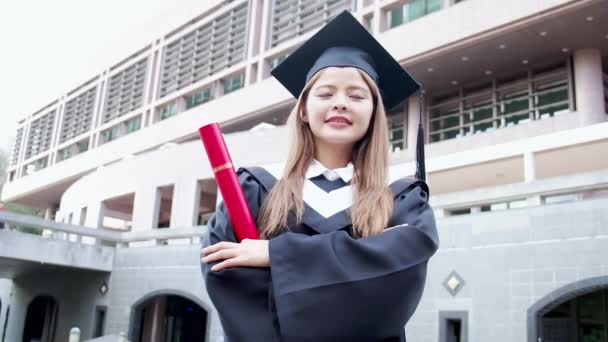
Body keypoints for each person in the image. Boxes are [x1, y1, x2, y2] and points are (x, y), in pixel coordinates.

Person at [200, 10, 439, 342]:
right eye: (325, 94)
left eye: (356, 95)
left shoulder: (403, 198)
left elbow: (400, 280)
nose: (340, 103)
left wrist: (275, 256)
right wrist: (365, 258)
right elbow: (224, 271)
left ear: (373, 112)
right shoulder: (255, 189)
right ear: (303, 108)